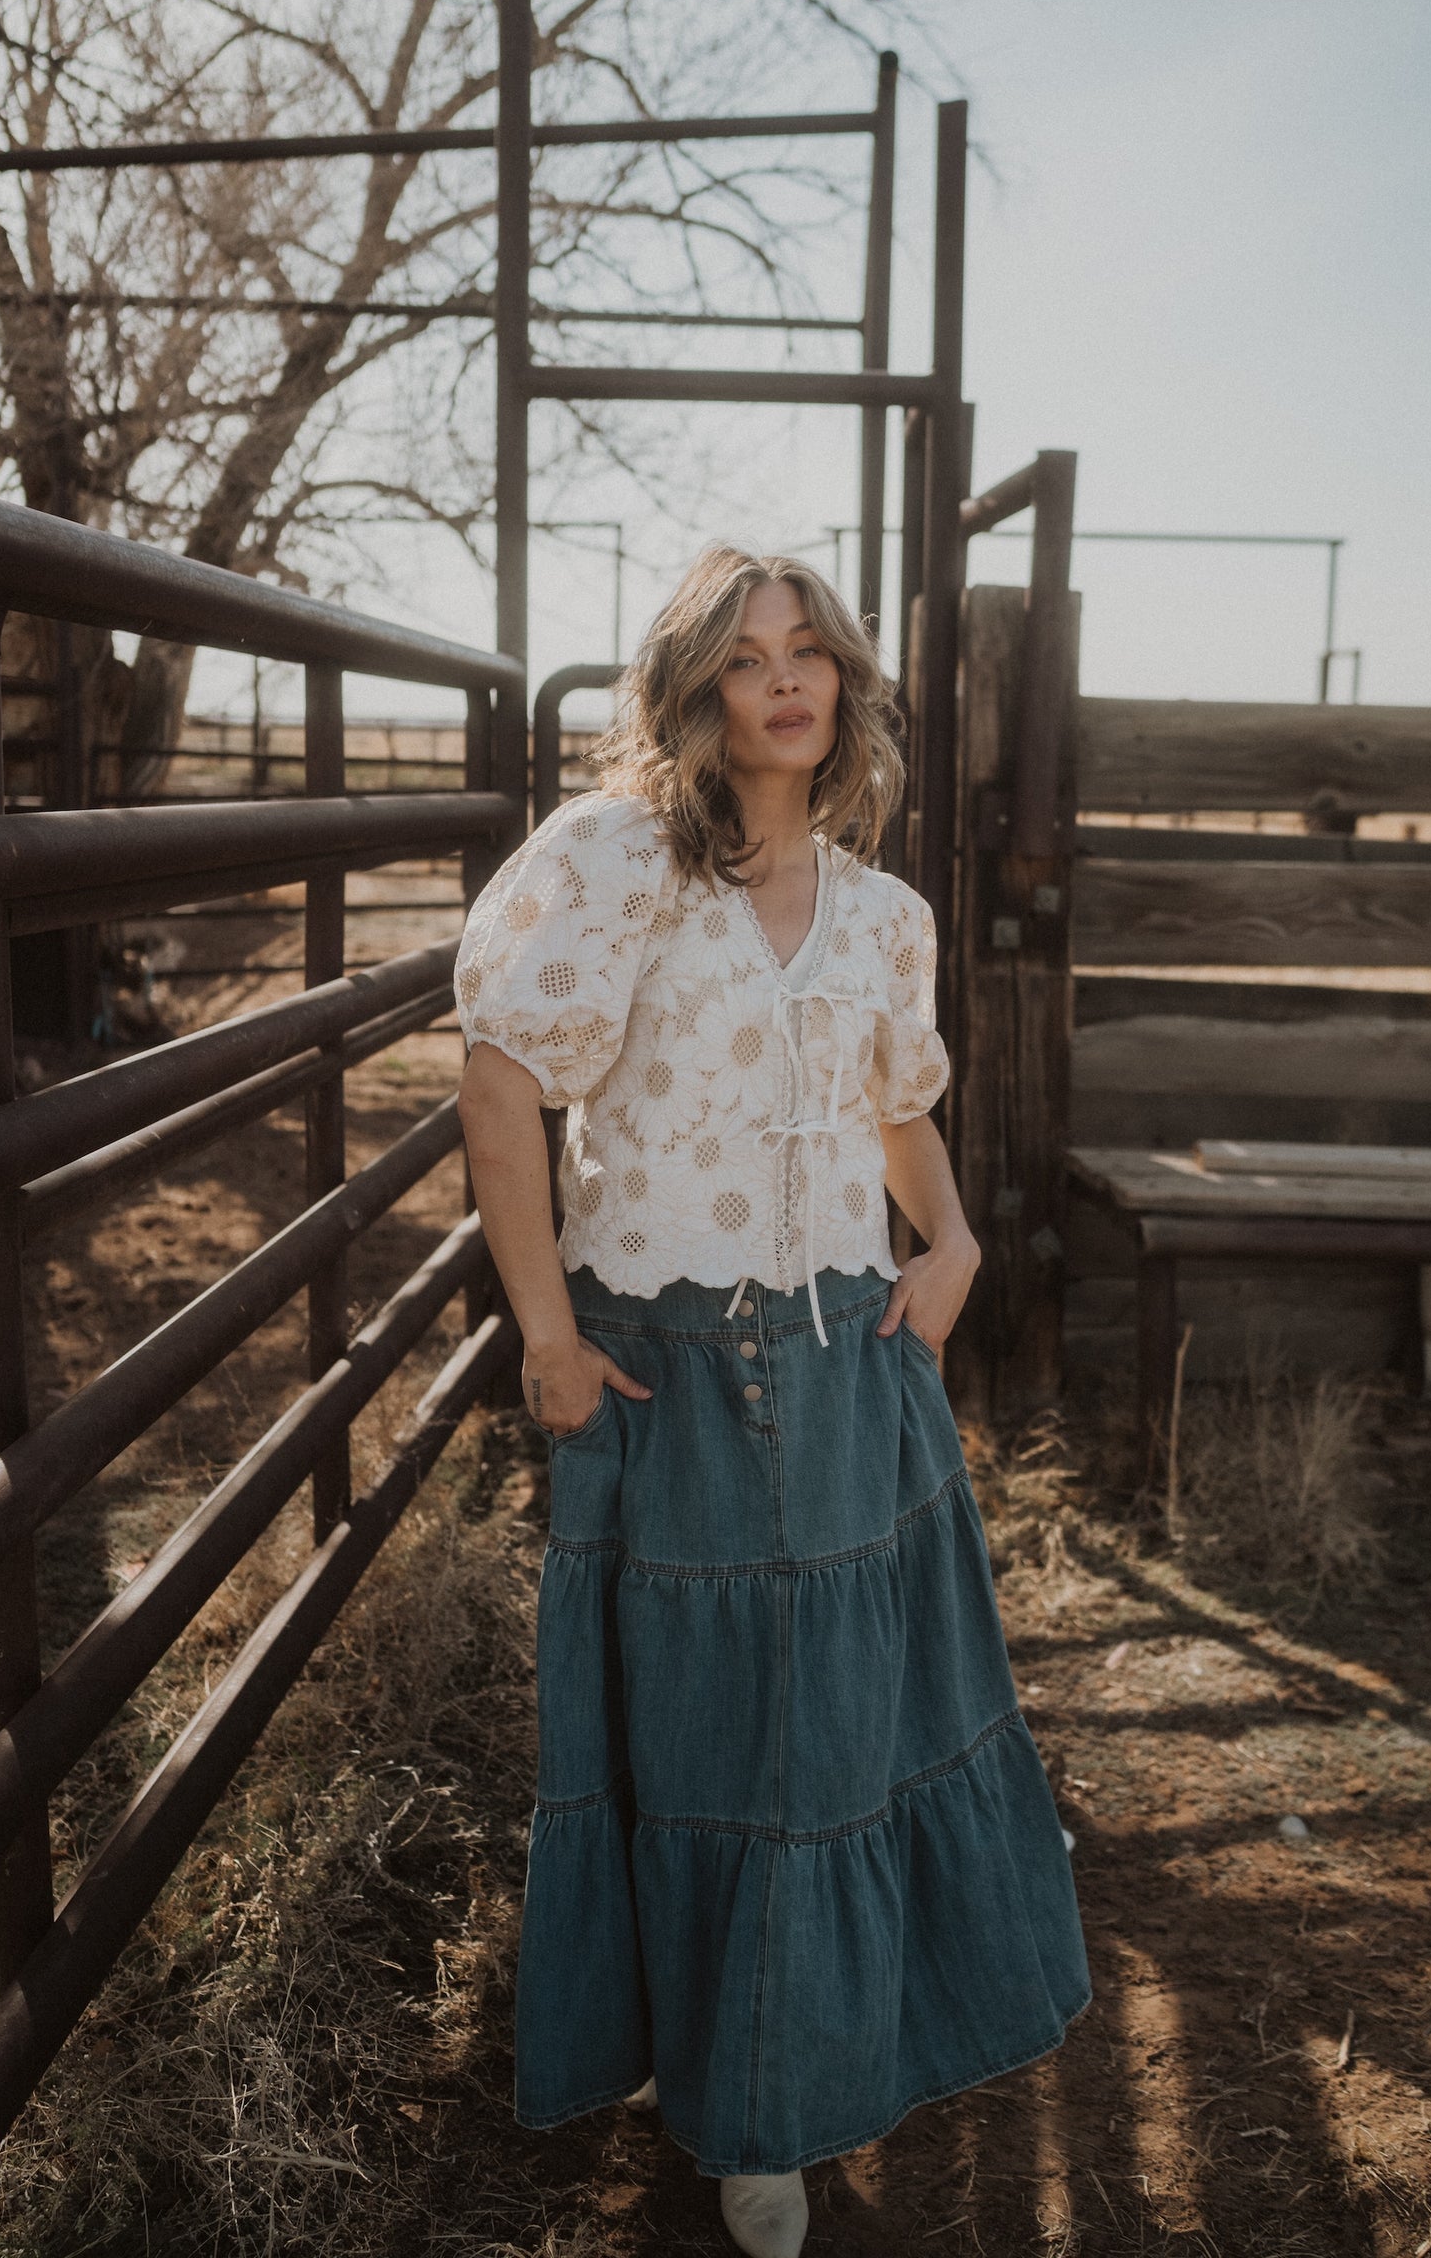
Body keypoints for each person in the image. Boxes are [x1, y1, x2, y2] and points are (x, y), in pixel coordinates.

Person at [456, 546, 1088, 2257]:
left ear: (846, 686)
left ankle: (780, 2096)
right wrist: (545, 1337)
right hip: (670, 1366)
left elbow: (897, 1105)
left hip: (850, 1367)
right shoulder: (615, 865)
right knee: (708, 1741)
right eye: (748, 658)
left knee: (840, 1740)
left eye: (810, 652)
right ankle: (724, 2082)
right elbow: (502, 1089)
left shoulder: (887, 914)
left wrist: (952, 1239)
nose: (786, 681)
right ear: (697, 691)